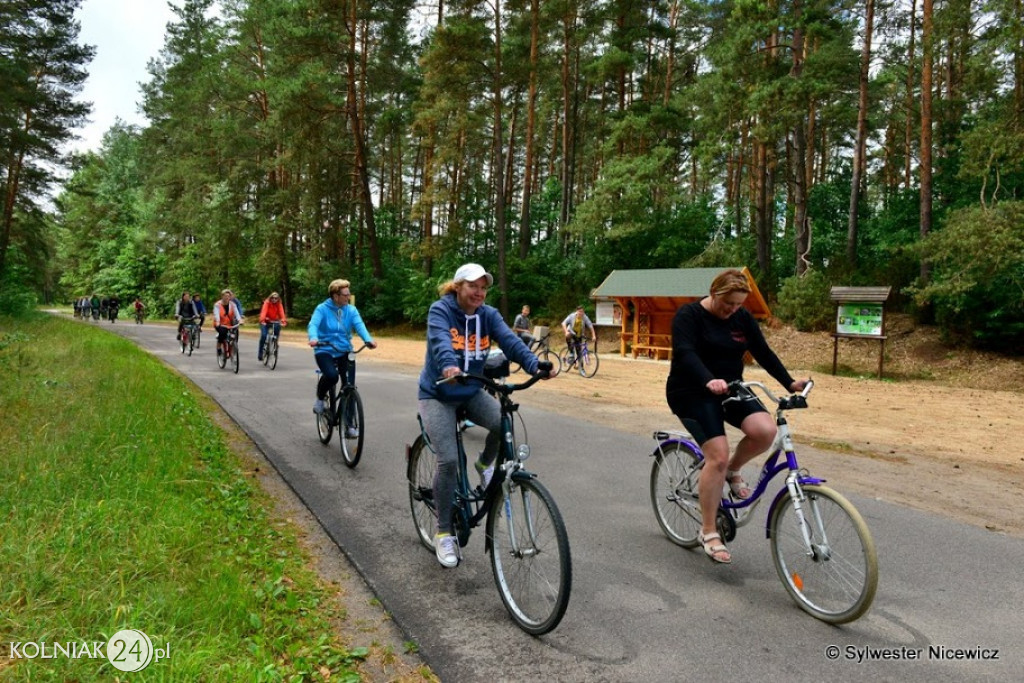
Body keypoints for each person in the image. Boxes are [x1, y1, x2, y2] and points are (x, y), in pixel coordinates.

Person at [665, 269, 808, 565]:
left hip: (731, 388)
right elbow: (685, 352)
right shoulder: (689, 315)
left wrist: (789, 383)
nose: (732, 310)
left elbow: (763, 352)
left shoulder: (741, 318)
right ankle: (707, 531)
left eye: (738, 304)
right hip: (692, 390)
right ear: (714, 293)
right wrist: (708, 379)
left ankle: (732, 470)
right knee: (716, 455)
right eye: (728, 303)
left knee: (765, 430)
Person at [418, 263, 545, 568]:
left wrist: (534, 365)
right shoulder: (441, 310)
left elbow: (511, 341)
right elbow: (440, 342)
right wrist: (449, 365)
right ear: (458, 286)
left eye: (483, 287)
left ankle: (485, 463)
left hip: (471, 388)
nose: (479, 292)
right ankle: (444, 532)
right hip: (438, 392)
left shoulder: (487, 314)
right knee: (448, 460)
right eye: (473, 286)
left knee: (503, 422)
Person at [307, 279, 377, 436]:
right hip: (324, 348)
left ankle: (350, 425)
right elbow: (313, 325)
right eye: (345, 295)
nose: (348, 297)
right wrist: (313, 337)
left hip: (345, 350)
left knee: (349, 386)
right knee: (332, 376)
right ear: (335, 295)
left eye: (348, 294)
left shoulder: (351, 310)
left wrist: (368, 339)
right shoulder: (322, 309)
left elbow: (360, 325)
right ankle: (320, 398)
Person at [213, 289, 244, 358]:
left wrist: (240, 320)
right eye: (225, 296)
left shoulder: (233, 304)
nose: (227, 297)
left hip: (230, 324)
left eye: (228, 296)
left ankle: (233, 346)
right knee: (222, 332)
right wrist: (218, 322)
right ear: (222, 296)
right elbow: (216, 315)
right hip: (220, 324)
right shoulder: (217, 305)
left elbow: (237, 313)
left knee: (235, 331)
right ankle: (219, 347)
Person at [258, 291, 287, 361]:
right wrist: (263, 320)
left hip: (274, 321)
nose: (274, 299)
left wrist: (283, 321)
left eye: (276, 298)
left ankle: (275, 342)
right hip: (265, 321)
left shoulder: (279, 304)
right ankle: (260, 353)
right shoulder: (267, 303)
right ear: (270, 298)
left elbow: (281, 313)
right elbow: (263, 312)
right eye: (273, 298)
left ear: (278, 299)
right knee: (264, 336)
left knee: (277, 328)